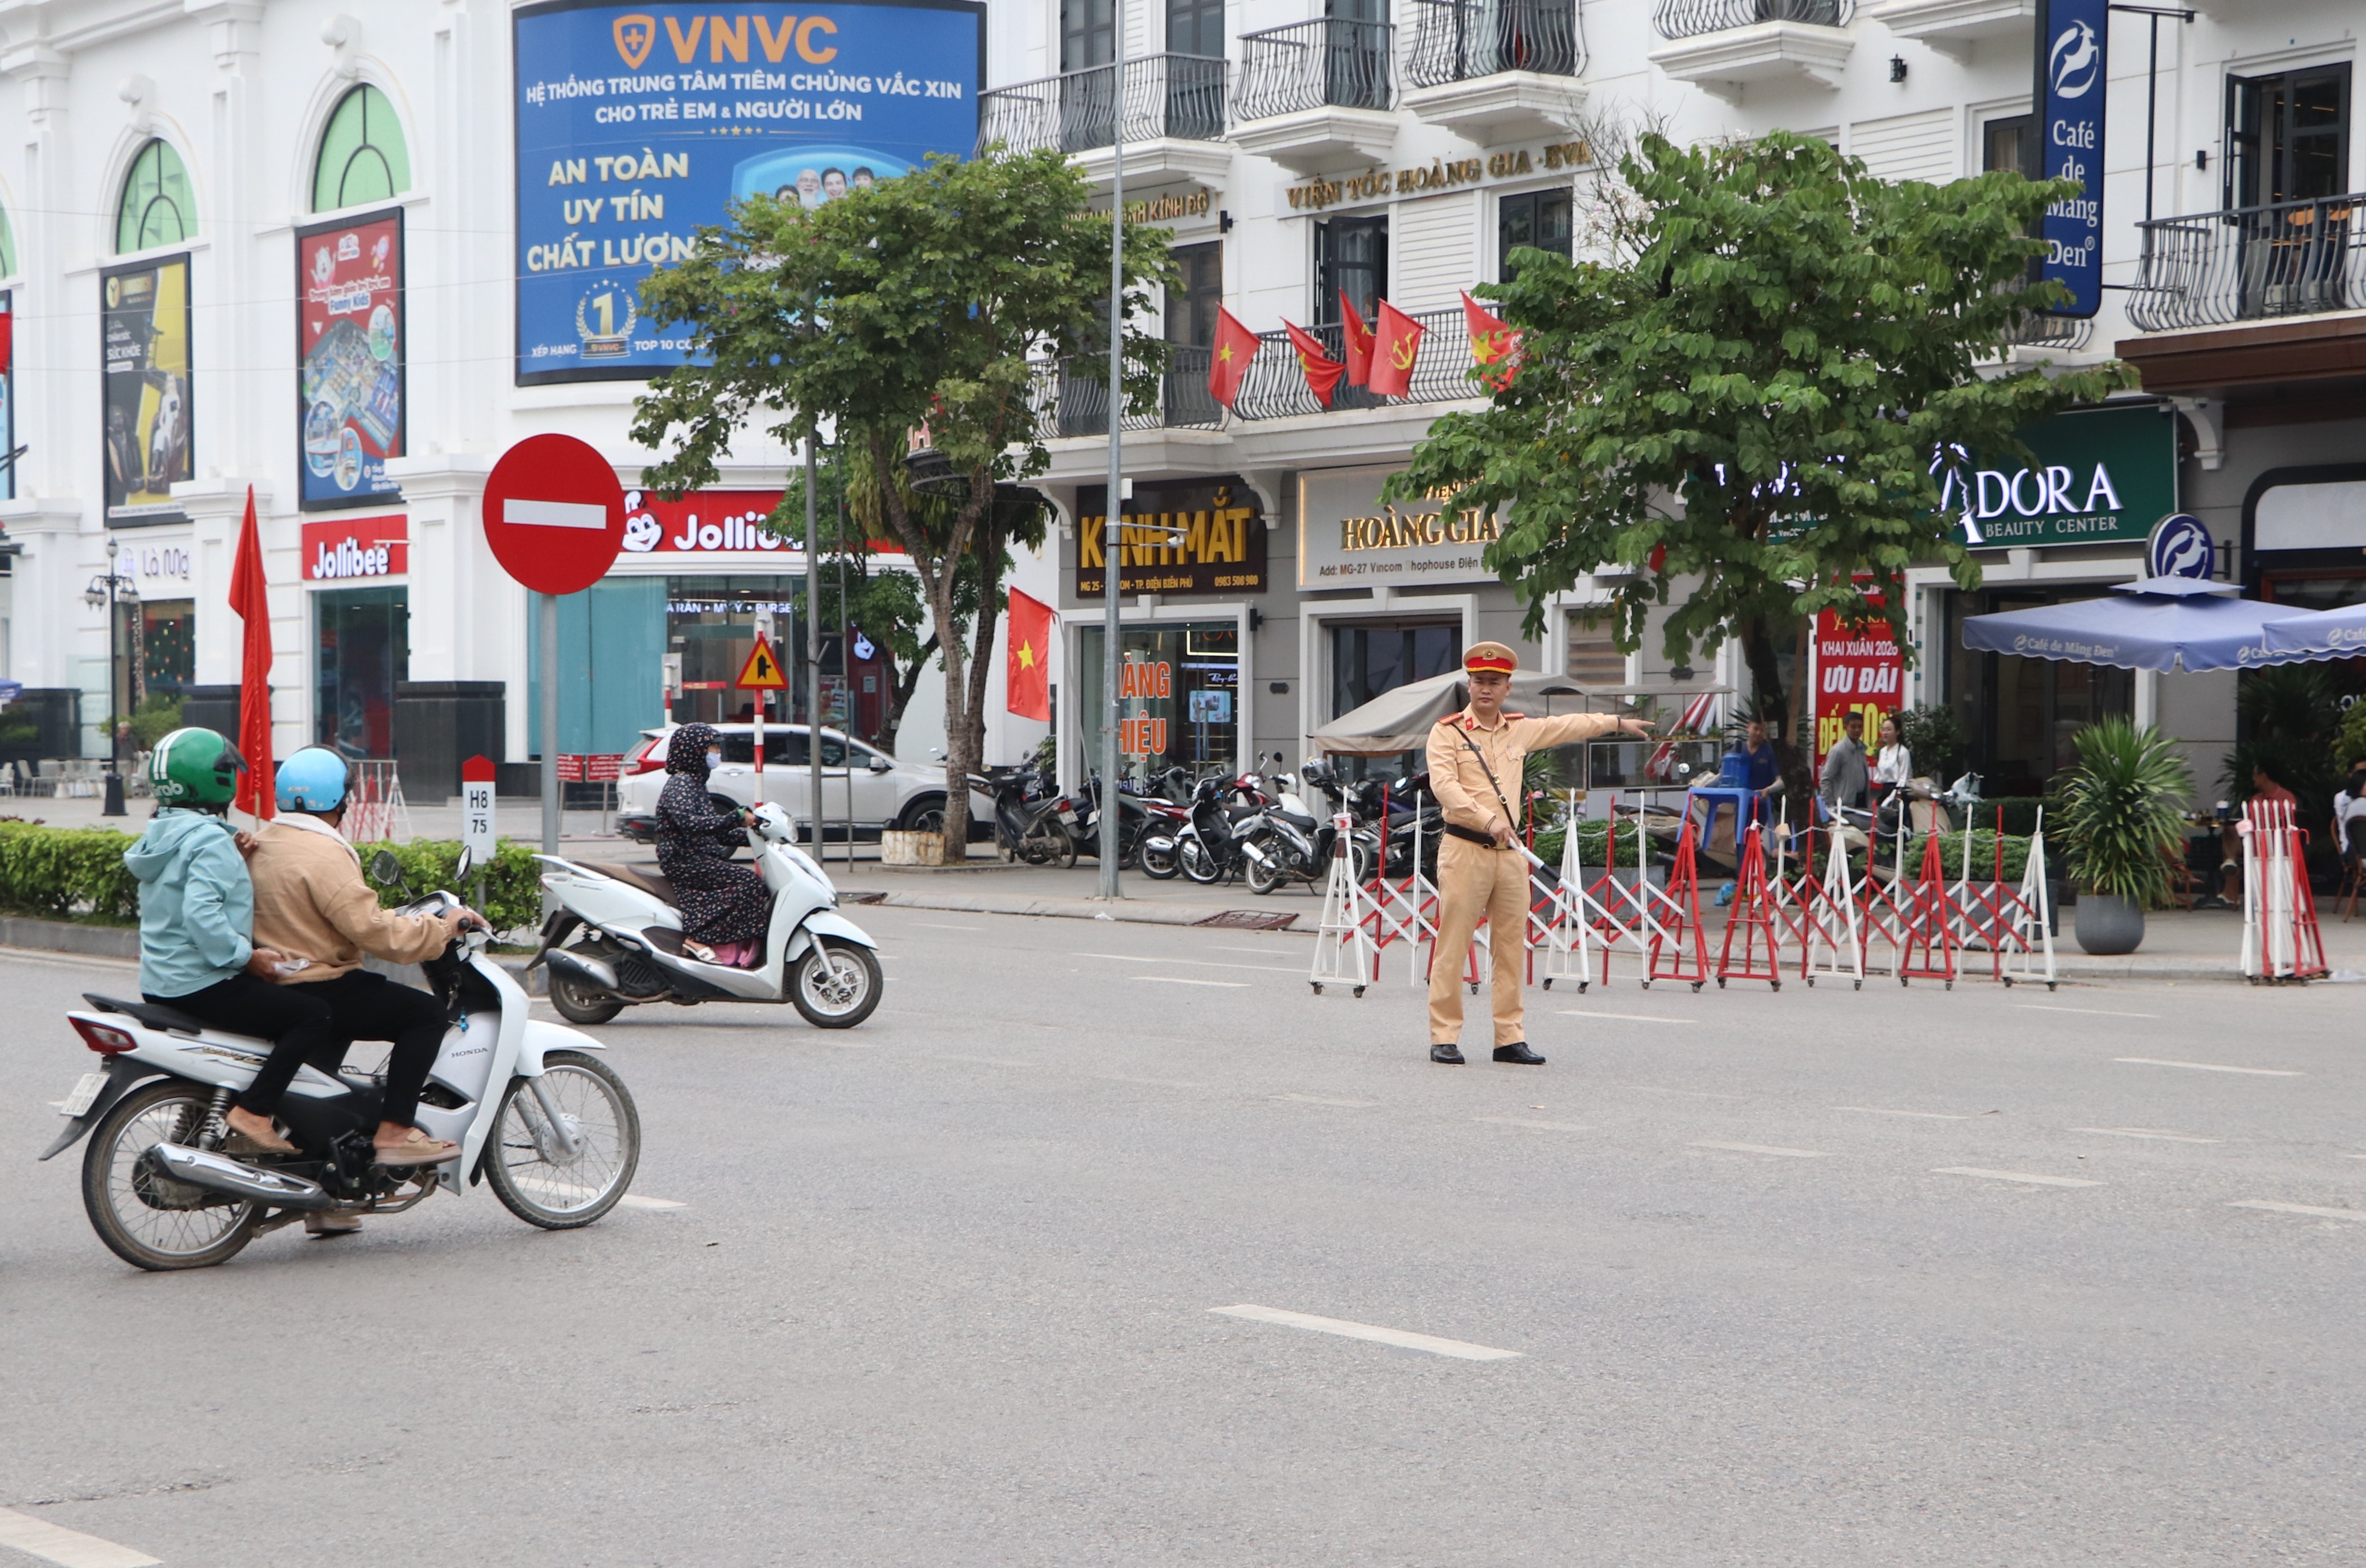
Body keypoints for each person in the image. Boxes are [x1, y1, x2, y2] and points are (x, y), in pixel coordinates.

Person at [235, 748, 485, 1187]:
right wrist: (441, 930)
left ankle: (327, 1201)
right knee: (424, 1015)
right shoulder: (325, 854)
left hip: (275, 983)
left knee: (329, 1068)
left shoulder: (261, 840)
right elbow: (373, 932)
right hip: (319, 983)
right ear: (340, 801)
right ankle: (395, 1132)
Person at [1425, 643, 1653, 1067]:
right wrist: (1484, 818)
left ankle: (1508, 1038)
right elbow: (1445, 787)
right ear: (1469, 685)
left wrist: (1615, 721)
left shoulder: (1519, 729)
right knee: (1453, 947)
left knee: (1511, 948)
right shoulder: (1448, 732)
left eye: (1495, 682)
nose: (1486, 689)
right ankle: (1444, 1035)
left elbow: (1567, 725)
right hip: (1465, 848)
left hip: (1509, 854)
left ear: (1508, 688)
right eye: (1479, 681)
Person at [654, 722, 771, 968]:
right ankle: (698, 938)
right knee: (748, 883)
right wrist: (736, 818)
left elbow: (715, 833)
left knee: (756, 886)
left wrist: (756, 837)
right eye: (713, 746)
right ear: (694, 750)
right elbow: (691, 824)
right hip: (685, 859)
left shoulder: (696, 784)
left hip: (699, 856)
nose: (717, 752)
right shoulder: (681, 784)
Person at [1819, 710, 1870, 817]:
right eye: (1853, 727)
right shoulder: (1838, 751)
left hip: (1861, 803)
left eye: (1860, 727)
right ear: (1845, 727)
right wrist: (1832, 806)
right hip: (1844, 806)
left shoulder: (1861, 749)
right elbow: (1826, 780)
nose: (1857, 730)